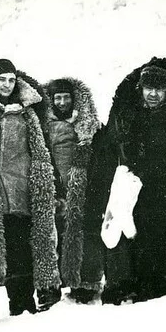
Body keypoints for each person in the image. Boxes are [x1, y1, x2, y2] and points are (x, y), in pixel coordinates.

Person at [79, 57, 166, 304]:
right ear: (140, 89)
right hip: (138, 186)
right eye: (148, 89)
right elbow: (108, 147)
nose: (153, 94)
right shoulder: (127, 112)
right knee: (136, 235)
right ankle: (135, 284)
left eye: (159, 89)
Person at [0, 59, 61, 315]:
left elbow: (40, 151)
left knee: (20, 251)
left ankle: (22, 306)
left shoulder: (27, 113)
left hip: (21, 193)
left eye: (11, 80)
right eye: (1, 80)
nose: (7, 85)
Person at [43, 78, 102, 303]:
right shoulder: (44, 125)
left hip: (81, 183)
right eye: (58, 98)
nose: (62, 102)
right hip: (55, 183)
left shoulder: (87, 123)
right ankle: (56, 283)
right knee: (56, 234)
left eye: (66, 97)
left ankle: (85, 282)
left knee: (83, 233)